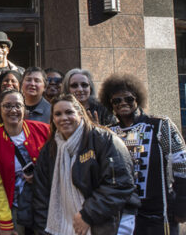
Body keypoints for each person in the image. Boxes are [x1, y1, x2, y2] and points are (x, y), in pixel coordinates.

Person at [33, 94, 138, 235]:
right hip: (62, 227)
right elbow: (41, 195)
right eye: (58, 114)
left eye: (69, 112)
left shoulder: (104, 140)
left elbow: (120, 183)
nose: (64, 118)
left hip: (107, 223)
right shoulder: (49, 150)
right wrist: (43, 229)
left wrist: (88, 214)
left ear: (80, 114)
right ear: (53, 119)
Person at [100, 73, 186, 235]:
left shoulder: (160, 125)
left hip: (158, 215)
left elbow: (182, 167)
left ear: (137, 99)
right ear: (111, 104)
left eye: (128, 99)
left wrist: (181, 207)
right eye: (116, 100)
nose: (123, 103)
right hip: (123, 215)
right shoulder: (109, 132)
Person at [0, 89, 49, 234]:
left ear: (24, 108)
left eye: (18, 105)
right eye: (7, 106)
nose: (13, 110)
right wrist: (5, 222)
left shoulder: (43, 130)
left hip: (44, 205)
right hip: (13, 208)